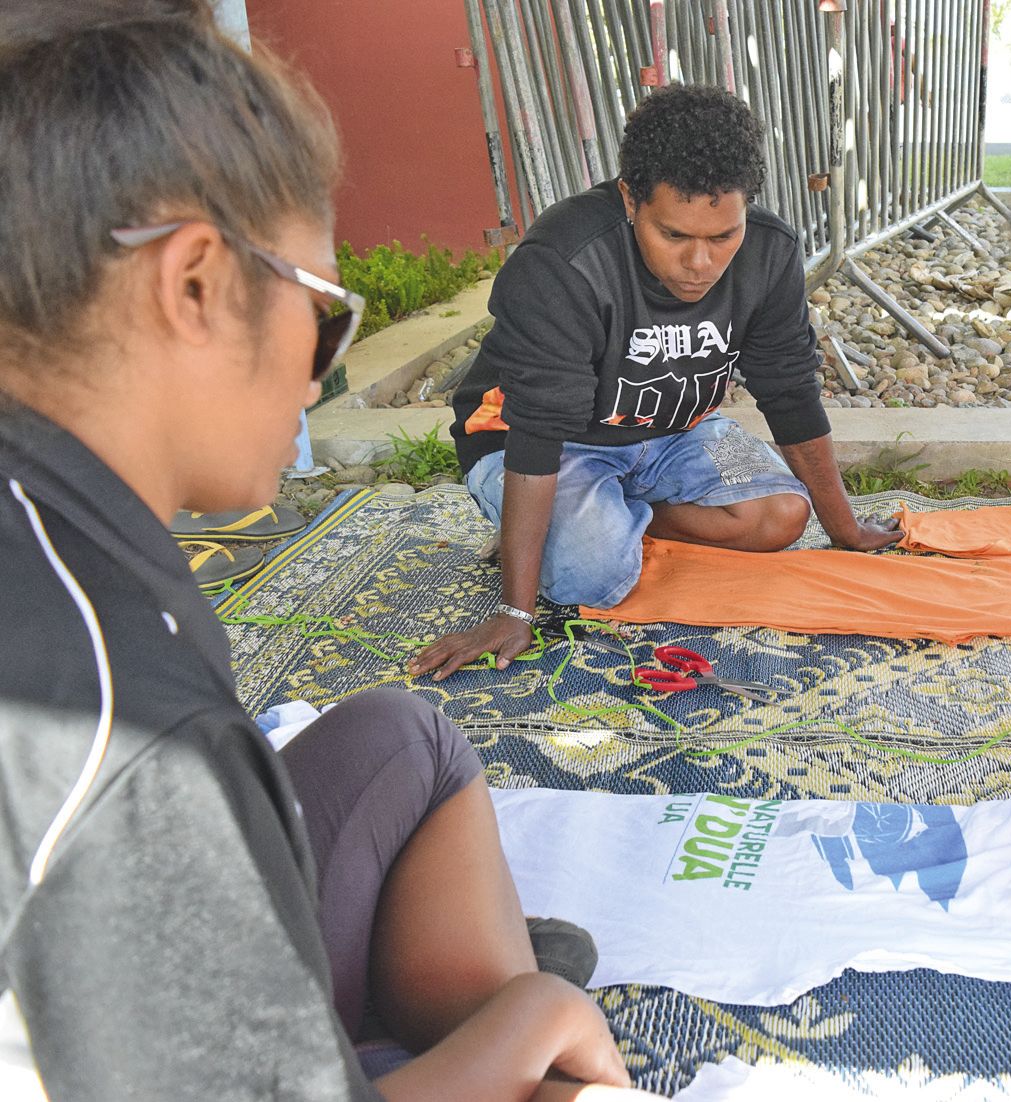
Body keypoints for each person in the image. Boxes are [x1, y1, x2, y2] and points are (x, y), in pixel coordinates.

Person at [0, 5, 656, 1098]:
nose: (315, 378)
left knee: (408, 732)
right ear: (195, 284)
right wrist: (532, 1018)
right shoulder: (120, 717)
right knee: (541, 1054)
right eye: (326, 320)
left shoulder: (67, 526)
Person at [410, 85, 898, 682]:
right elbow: (537, 431)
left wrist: (844, 527)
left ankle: (599, 520)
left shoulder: (770, 253)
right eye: (674, 236)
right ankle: (552, 533)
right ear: (629, 200)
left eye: (723, 237)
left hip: (674, 431)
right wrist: (516, 610)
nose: (701, 264)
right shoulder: (563, 262)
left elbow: (790, 392)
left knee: (783, 517)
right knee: (593, 575)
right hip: (540, 441)